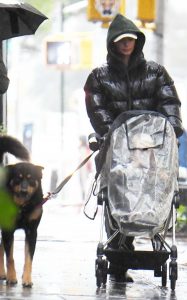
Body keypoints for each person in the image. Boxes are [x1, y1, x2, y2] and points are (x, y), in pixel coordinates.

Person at [84, 14, 183, 282]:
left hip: (151, 149)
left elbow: (169, 104)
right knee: (117, 197)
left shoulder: (156, 72)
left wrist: (171, 130)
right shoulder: (99, 77)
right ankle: (119, 255)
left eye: (130, 39)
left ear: (137, 41)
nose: (126, 44)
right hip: (116, 150)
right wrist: (113, 132)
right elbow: (97, 109)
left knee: (153, 190)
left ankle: (155, 238)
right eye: (120, 40)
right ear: (112, 44)